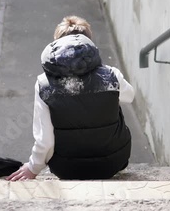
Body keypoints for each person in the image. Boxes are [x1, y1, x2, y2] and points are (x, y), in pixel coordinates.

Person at [7, 16, 134, 181]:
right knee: (114, 98)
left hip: (67, 169)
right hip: (113, 163)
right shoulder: (110, 75)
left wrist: (33, 168)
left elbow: (45, 141)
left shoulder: (44, 84)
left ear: (57, 45)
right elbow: (129, 96)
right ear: (89, 43)